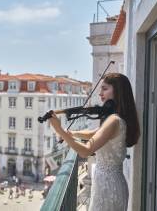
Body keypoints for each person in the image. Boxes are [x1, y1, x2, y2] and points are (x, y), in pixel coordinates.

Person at [49, 73, 140, 211]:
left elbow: (86, 150)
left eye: (104, 88)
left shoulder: (114, 120)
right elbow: (95, 133)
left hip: (108, 188)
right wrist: (72, 133)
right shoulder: (117, 117)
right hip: (110, 183)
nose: (100, 93)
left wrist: (59, 130)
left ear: (117, 91)